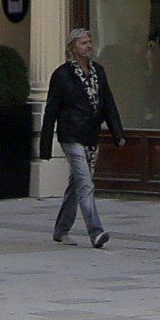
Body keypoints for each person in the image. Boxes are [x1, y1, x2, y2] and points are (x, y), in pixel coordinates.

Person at [40, 29, 125, 248]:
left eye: (90, 42)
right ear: (72, 48)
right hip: (70, 135)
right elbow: (51, 110)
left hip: (91, 135)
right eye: (83, 43)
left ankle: (61, 229)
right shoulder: (62, 75)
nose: (89, 46)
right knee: (86, 183)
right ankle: (95, 231)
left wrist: (118, 134)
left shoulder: (99, 72)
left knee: (77, 183)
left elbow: (108, 104)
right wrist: (45, 145)